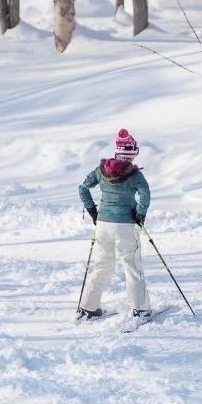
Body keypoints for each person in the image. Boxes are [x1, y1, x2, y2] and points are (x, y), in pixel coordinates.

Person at [77, 129, 152, 320]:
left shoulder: (100, 170)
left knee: (102, 264)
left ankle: (88, 307)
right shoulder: (134, 174)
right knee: (131, 265)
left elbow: (83, 187)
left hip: (103, 224)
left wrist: (93, 210)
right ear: (131, 152)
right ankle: (141, 309)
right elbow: (145, 194)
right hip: (125, 224)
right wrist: (140, 214)